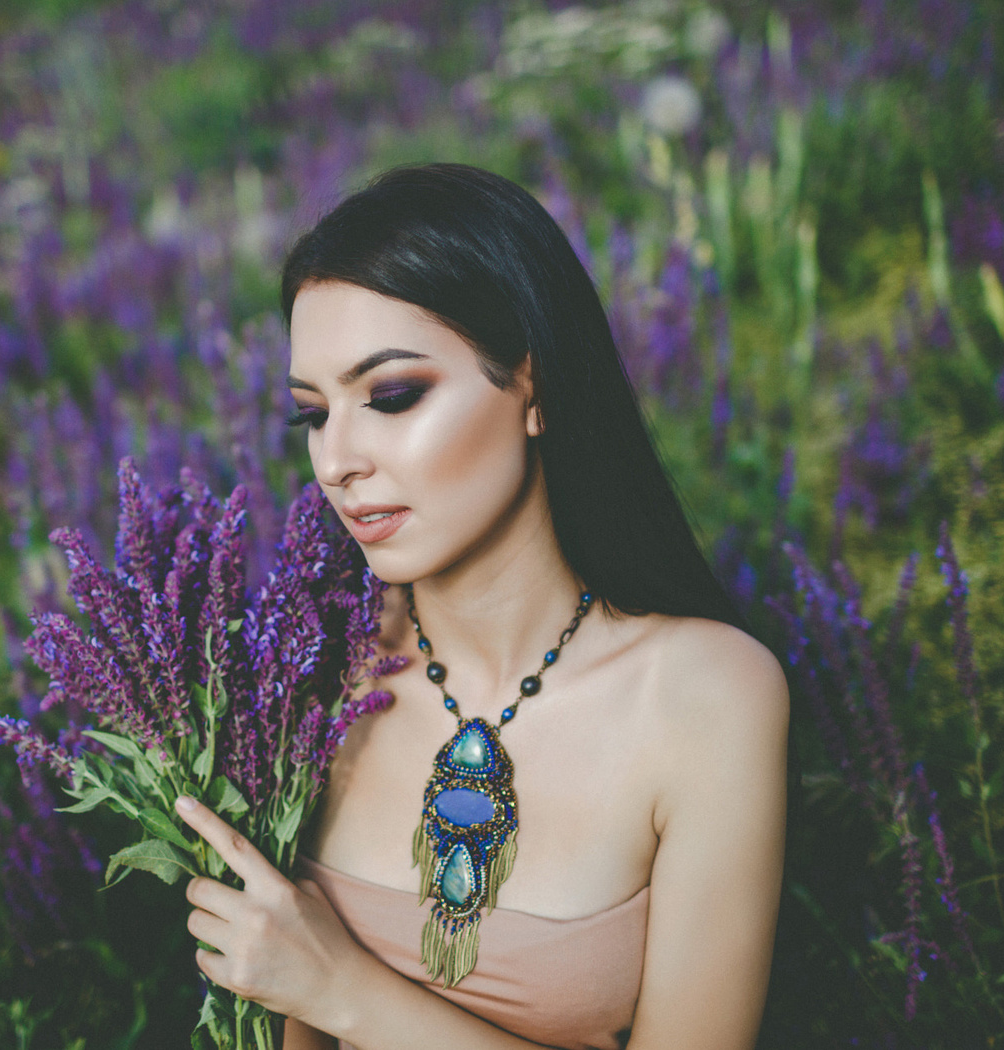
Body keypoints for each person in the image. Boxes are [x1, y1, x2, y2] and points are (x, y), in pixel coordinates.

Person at [173, 162, 788, 1049]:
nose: (336, 460)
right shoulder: (305, 677)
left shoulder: (706, 698)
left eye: (391, 396)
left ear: (531, 384)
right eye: (312, 413)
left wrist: (345, 992)